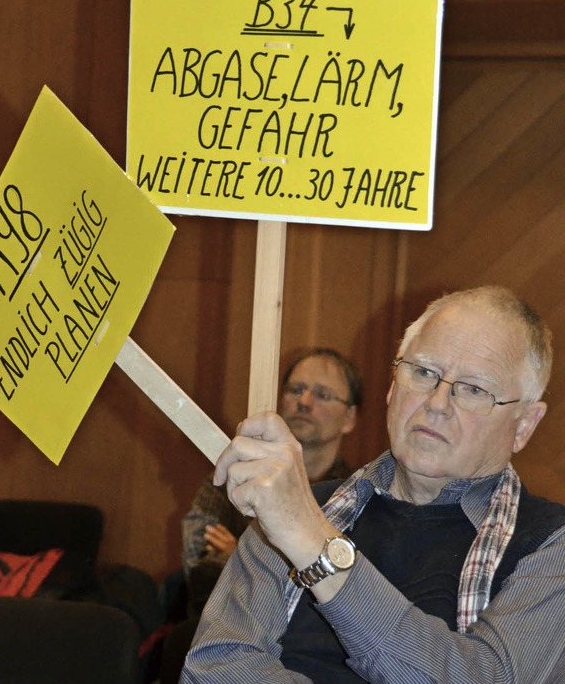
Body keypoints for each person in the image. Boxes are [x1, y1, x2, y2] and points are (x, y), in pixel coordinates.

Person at [182, 285, 565, 683]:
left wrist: (312, 541)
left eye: (474, 390)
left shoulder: (551, 544)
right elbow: (214, 667)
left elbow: (484, 677)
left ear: (524, 425)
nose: (436, 403)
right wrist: (300, 524)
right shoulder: (294, 507)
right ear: (392, 384)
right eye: (423, 372)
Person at [159, 349, 362, 683]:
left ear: (350, 417)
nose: (304, 402)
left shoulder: (357, 495)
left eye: (323, 395)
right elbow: (201, 569)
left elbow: (345, 600)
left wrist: (240, 553)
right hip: (228, 630)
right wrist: (298, 568)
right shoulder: (234, 471)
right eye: (296, 390)